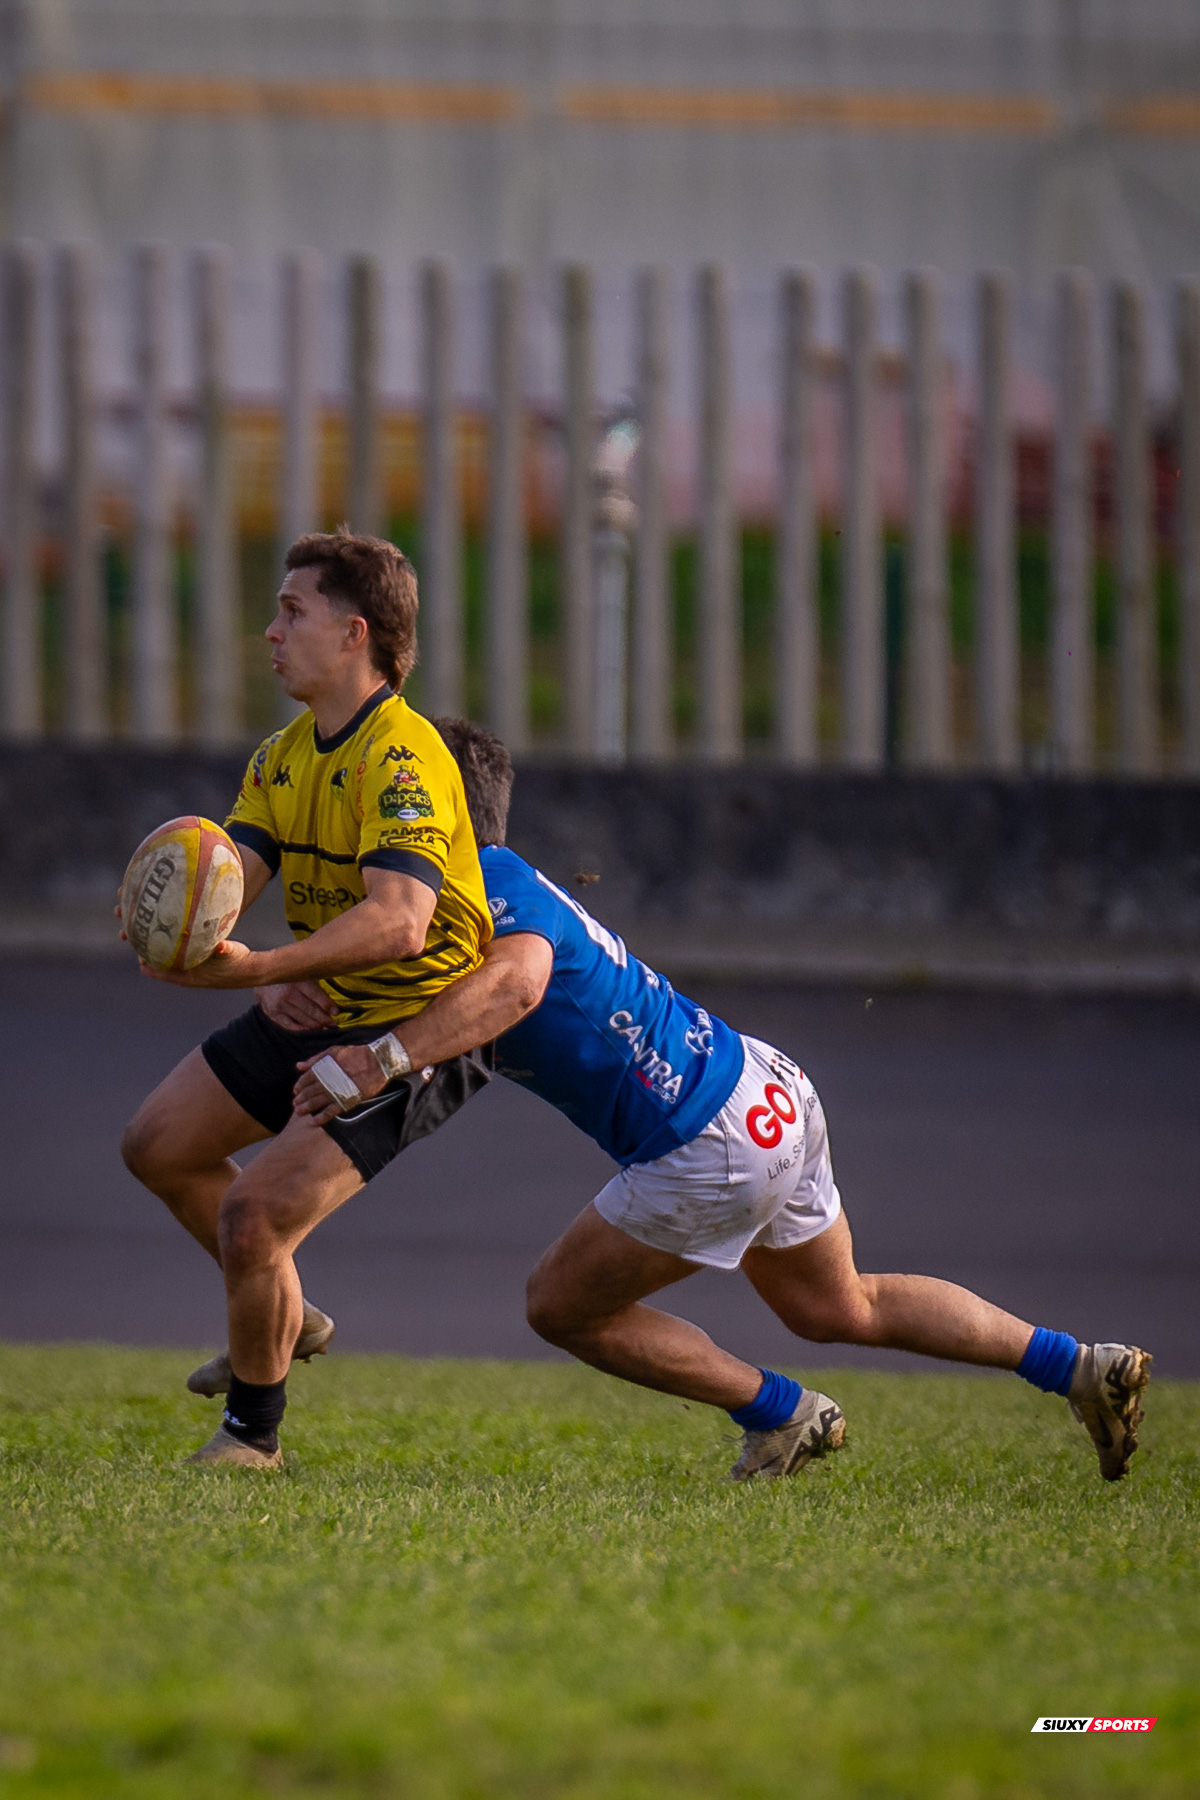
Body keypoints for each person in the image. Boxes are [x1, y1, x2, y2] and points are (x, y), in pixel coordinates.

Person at [292, 719, 1152, 1484]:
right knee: (839, 1305)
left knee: (558, 1307)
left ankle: (779, 1411)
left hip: (703, 1141)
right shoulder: (494, 884)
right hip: (763, 1085)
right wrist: (280, 984)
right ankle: (1078, 1365)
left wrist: (378, 1060)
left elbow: (513, 984)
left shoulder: (480, 888)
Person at [120, 533, 494, 1470]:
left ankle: (253, 1436)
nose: (271, 632)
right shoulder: (283, 756)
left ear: (354, 634)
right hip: (322, 998)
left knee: (254, 1220)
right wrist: (168, 917)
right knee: (158, 1147)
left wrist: (264, 969)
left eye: (293, 612)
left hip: (414, 1026)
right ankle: (281, 1298)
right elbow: (233, 875)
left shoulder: (402, 757)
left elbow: (402, 923)